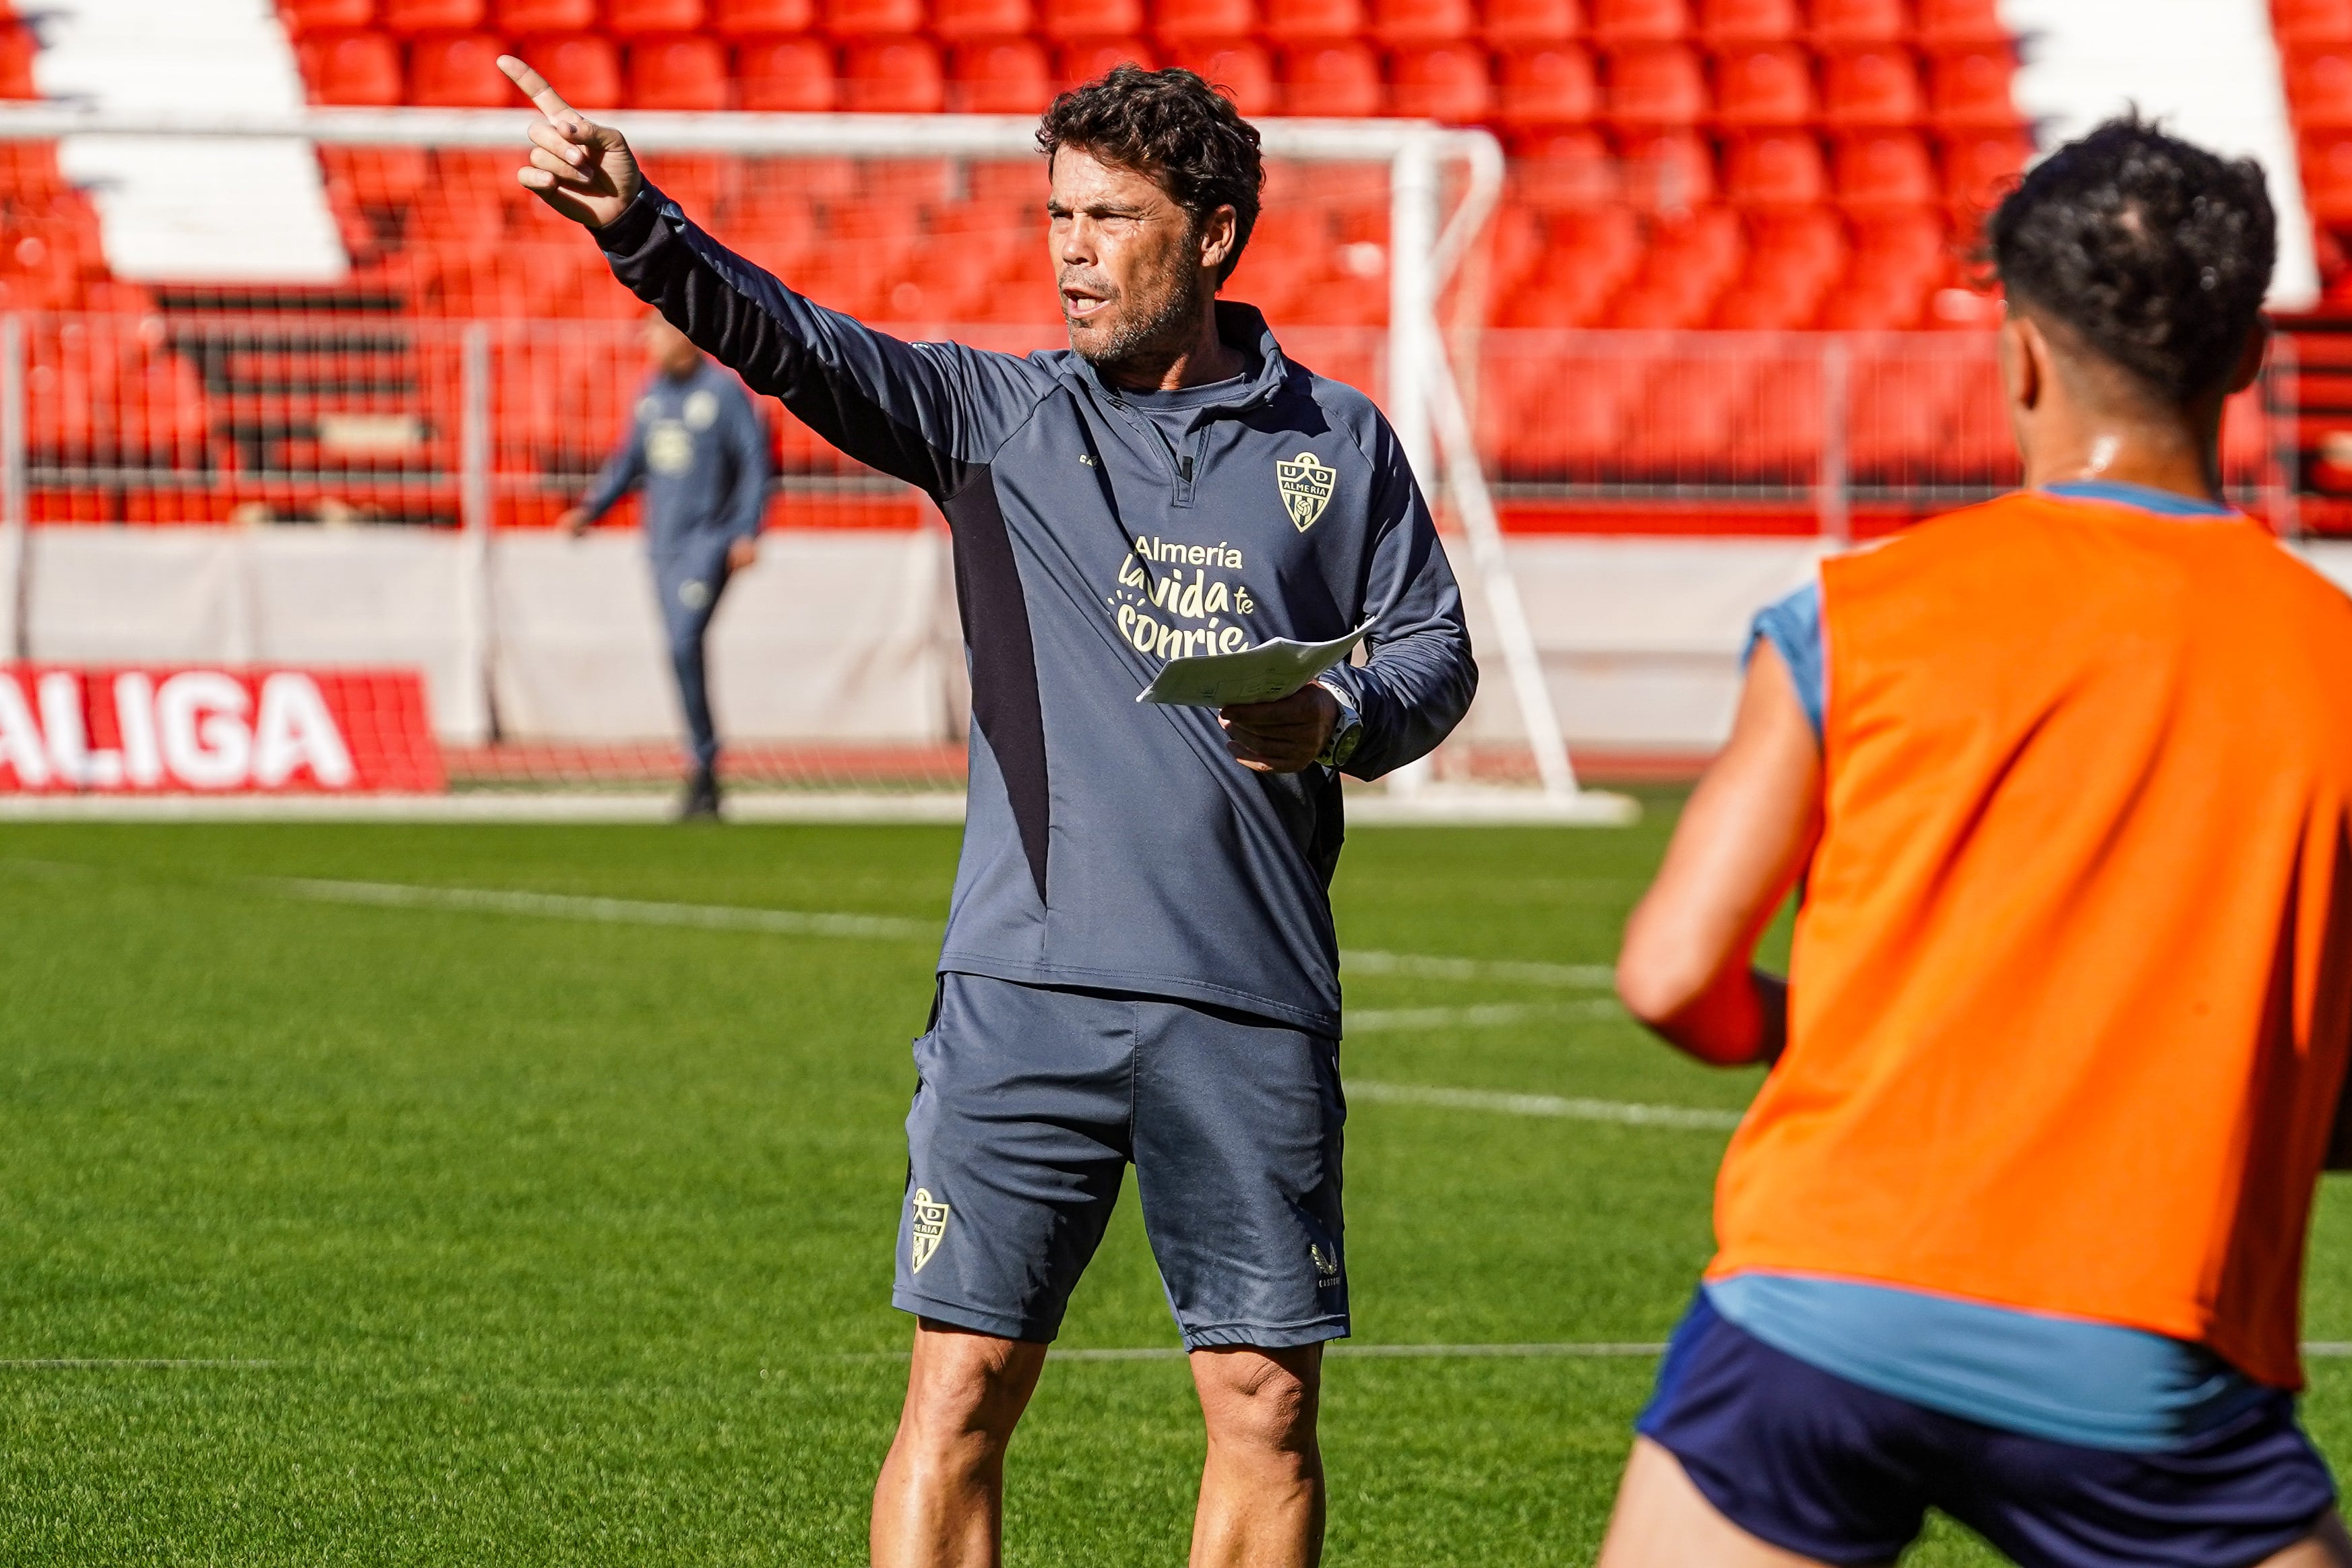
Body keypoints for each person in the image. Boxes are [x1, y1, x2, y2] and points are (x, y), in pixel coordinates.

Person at [497, 56, 1477, 1568]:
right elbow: (795, 344)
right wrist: (640, 227)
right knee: (958, 1389)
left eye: (1109, 216)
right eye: (1055, 215)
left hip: (1249, 996)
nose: (1070, 249)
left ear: (1212, 236)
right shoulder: (991, 417)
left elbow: (1431, 648)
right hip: (1024, 990)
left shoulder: (1335, 444)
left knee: (1263, 1400)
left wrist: (1338, 714)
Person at [1600, 116, 2352, 1568]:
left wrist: (1825, 1033)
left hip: (1819, 1301)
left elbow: (1667, 971)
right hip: (2143, 1336)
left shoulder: (1858, 611)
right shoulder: (2335, 661)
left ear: (2014, 351)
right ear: (2250, 357)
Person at [560, 311, 770, 820]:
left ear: (683, 334)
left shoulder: (722, 394)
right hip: (662, 548)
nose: (649, 342)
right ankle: (704, 773)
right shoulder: (652, 395)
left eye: (656, 331)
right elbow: (629, 460)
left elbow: (755, 463)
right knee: (679, 652)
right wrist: (593, 507)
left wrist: (746, 532)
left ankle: (703, 764)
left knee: (683, 642)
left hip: (708, 545)